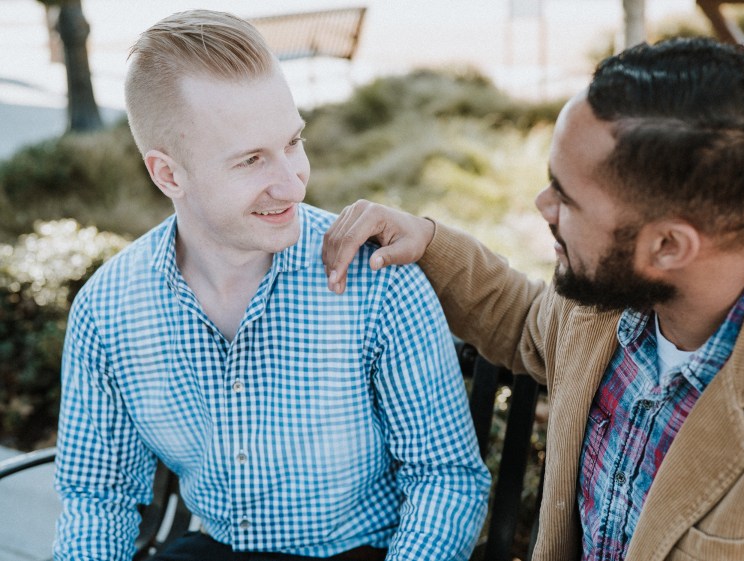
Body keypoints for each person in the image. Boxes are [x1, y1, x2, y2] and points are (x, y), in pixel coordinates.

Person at [322, 37, 744, 561]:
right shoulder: (615, 291)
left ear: (667, 245)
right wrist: (428, 243)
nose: (541, 204)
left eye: (565, 197)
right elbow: (529, 325)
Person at [53, 10, 490, 561]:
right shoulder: (108, 309)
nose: (291, 182)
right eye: (252, 159)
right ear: (168, 175)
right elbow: (101, 497)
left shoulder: (376, 279)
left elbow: (445, 479)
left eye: (293, 141)